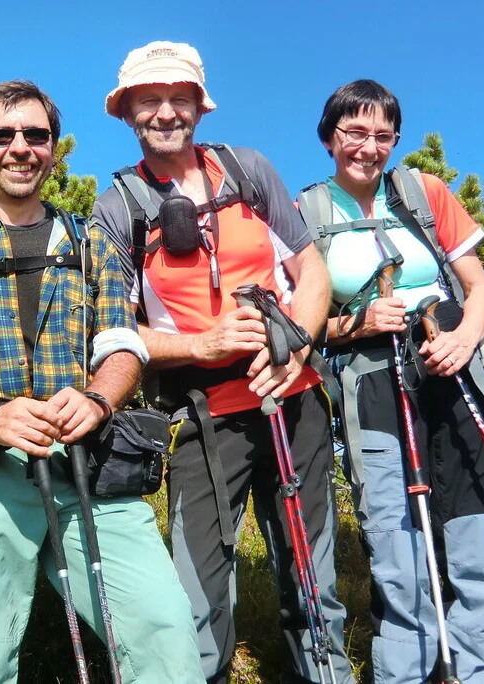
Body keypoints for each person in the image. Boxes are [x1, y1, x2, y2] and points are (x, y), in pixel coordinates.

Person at [0, 79, 204, 683]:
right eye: (1, 135)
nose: (19, 148)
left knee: (165, 635)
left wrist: (98, 398)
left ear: (55, 149)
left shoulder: (93, 245)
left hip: (85, 457)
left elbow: (122, 346)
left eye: (36, 135)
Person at [92, 42, 352, 684]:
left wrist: (296, 343)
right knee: (197, 589)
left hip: (294, 397)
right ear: (127, 113)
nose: (165, 113)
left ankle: (325, 673)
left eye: (178, 99)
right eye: (148, 101)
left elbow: (309, 270)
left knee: (311, 569)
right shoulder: (119, 206)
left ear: (198, 108)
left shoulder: (248, 169)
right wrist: (203, 346)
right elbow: (116, 332)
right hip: (198, 414)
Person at [298, 78, 484, 683]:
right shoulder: (305, 214)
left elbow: (480, 288)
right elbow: (303, 325)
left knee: (477, 533)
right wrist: (355, 322)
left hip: (454, 367)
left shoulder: (423, 192)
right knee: (398, 548)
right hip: (370, 382)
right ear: (328, 137)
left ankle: (477, 674)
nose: (368, 146)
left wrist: (465, 338)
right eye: (354, 132)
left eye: (382, 134)